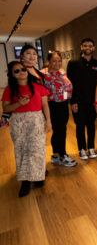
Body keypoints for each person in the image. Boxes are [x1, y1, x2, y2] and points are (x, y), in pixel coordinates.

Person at [1, 61, 52, 197]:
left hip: (36, 119)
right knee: (22, 150)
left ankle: (38, 176)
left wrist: (48, 121)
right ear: (12, 75)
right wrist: (18, 103)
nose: (21, 72)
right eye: (16, 71)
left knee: (37, 149)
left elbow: (45, 105)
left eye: (22, 69)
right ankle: (25, 181)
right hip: (18, 121)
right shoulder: (9, 89)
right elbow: (5, 108)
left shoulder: (38, 87)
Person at [40, 51, 77, 167]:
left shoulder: (62, 71)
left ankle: (56, 155)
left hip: (63, 104)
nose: (57, 63)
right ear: (49, 62)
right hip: (52, 105)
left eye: (59, 61)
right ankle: (63, 156)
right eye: (54, 61)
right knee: (60, 131)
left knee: (59, 131)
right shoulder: (43, 74)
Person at [67, 38, 97, 160]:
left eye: (90, 46)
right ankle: (82, 149)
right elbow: (69, 83)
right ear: (81, 47)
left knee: (91, 125)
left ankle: (91, 148)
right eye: (85, 45)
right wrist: (73, 101)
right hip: (78, 101)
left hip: (92, 102)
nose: (88, 48)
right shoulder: (73, 63)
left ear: (93, 48)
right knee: (80, 125)